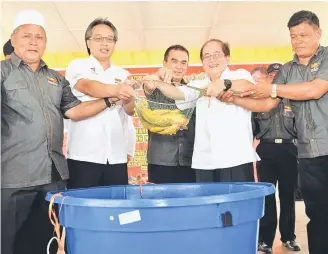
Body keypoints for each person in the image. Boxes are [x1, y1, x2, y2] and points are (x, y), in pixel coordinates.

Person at [1, 10, 134, 254]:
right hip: (13, 178)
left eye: (39, 37)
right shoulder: (3, 74)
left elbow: (75, 111)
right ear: (13, 39)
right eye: (27, 36)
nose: (33, 42)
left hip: (53, 177)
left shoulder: (55, 79)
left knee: (49, 240)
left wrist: (108, 100)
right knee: (7, 242)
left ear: (45, 42)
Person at [224, 10, 328, 254]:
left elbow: (314, 90)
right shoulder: (288, 70)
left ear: (318, 33)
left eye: (304, 34)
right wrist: (234, 100)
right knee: (317, 215)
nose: (298, 40)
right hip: (308, 154)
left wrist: (272, 89)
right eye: (293, 36)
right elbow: (266, 104)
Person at [148, 39, 259, 182]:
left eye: (217, 54)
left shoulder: (239, 75)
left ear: (227, 58)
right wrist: (156, 83)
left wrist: (225, 84)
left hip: (236, 160)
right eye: (207, 56)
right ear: (202, 62)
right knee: (208, 203)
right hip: (205, 163)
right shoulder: (198, 85)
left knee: (237, 204)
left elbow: (248, 86)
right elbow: (178, 93)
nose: (212, 60)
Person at [65, 18, 136, 189]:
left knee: (116, 210)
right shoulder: (77, 66)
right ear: (88, 42)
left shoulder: (123, 73)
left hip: (116, 156)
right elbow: (88, 87)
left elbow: (130, 110)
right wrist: (118, 90)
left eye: (109, 39)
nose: (105, 43)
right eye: (99, 38)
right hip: (83, 155)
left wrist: (129, 97)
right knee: (84, 208)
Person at [253, 63, 300, 253]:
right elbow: (251, 128)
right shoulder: (259, 101)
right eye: (271, 75)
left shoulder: (292, 100)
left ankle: (288, 237)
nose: (275, 78)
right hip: (265, 149)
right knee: (267, 196)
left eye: (278, 75)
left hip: (289, 149)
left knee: (288, 196)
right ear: (267, 78)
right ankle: (265, 240)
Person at [143, 45, 196, 183]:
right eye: (174, 61)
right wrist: (156, 77)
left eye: (183, 62)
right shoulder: (155, 86)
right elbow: (148, 84)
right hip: (161, 161)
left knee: (188, 204)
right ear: (165, 63)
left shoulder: (193, 89)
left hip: (190, 161)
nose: (179, 66)